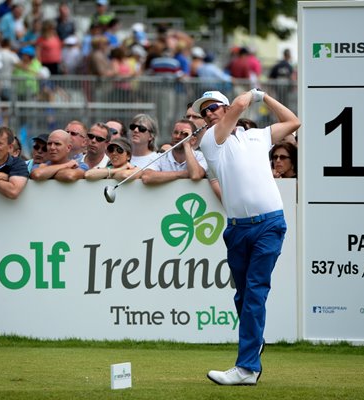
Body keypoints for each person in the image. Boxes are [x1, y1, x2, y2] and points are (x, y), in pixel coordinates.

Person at [192, 89, 300, 386]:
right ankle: (256, 341)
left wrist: (264, 98)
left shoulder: (258, 136)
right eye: (204, 112)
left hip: (270, 225)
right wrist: (251, 95)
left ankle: (247, 369)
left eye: (213, 107)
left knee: (254, 292)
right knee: (243, 296)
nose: (209, 114)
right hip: (238, 229)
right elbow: (240, 103)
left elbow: (293, 121)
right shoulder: (210, 141)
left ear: (224, 107)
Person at [141, 119, 207, 184]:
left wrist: (187, 144)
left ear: (193, 140)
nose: (178, 136)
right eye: (175, 132)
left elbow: (195, 175)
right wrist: (183, 174)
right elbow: (146, 177)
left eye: (184, 134)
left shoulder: (200, 156)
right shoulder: (160, 157)